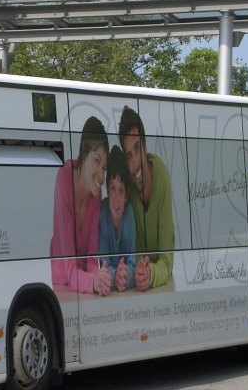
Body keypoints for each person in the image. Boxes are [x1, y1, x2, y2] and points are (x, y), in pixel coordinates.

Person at [51, 116, 112, 295]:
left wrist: (101, 278)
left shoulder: (96, 193)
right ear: (83, 156)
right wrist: (94, 281)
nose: (101, 175)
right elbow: (70, 271)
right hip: (62, 287)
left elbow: (92, 260)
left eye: (105, 167)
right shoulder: (65, 177)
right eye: (97, 161)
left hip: (84, 289)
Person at [118, 104, 174, 291]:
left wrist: (150, 273)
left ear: (145, 146)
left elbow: (166, 260)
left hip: (161, 289)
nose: (135, 164)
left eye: (137, 148)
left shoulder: (161, 176)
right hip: (140, 288)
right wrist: (137, 269)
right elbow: (131, 253)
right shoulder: (127, 191)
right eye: (128, 156)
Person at [99, 145, 137, 292]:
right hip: (108, 288)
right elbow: (103, 262)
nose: (116, 197)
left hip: (124, 290)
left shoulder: (129, 215)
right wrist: (115, 276)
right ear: (107, 190)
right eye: (113, 188)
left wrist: (124, 275)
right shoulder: (103, 214)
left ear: (126, 196)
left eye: (121, 190)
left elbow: (132, 262)